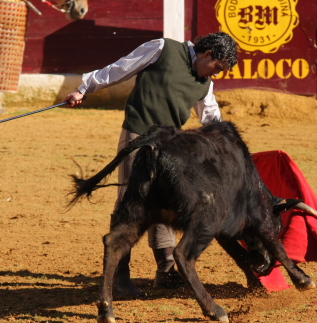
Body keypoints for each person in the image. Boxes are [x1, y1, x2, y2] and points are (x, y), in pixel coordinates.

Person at [63, 32, 238, 298]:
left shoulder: (205, 84)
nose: (218, 74)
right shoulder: (163, 48)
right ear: (207, 54)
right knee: (130, 202)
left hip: (171, 147)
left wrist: (231, 148)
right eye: (218, 67)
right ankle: (119, 278)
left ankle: (166, 270)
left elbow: (212, 118)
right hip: (138, 137)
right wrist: (84, 89)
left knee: (166, 201)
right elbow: (121, 68)